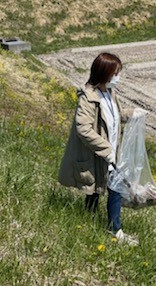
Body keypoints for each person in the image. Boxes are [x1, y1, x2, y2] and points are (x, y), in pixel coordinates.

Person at [58, 52, 138, 245]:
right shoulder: (88, 98)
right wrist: (106, 149)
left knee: (107, 188)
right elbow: (83, 128)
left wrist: (133, 114)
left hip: (110, 152)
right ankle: (109, 228)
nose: (118, 77)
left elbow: (115, 116)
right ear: (105, 73)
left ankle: (102, 225)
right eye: (116, 73)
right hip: (98, 153)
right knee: (100, 188)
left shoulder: (110, 93)